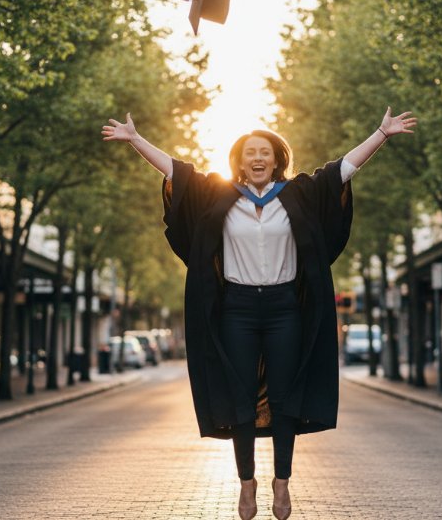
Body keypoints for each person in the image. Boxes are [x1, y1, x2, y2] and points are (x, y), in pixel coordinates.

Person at [102, 108, 416, 519]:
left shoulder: (297, 194)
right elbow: (177, 173)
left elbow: (341, 170)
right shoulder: (219, 195)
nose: (257, 157)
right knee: (241, 399)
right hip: (238, 308)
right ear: (239, 159)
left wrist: (382, 133)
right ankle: (246, 482)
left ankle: (282, 482)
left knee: (284, 398)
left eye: (264, 151)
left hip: (285, 308)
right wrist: (135, 139)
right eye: (250, 152)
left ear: (276, 158)